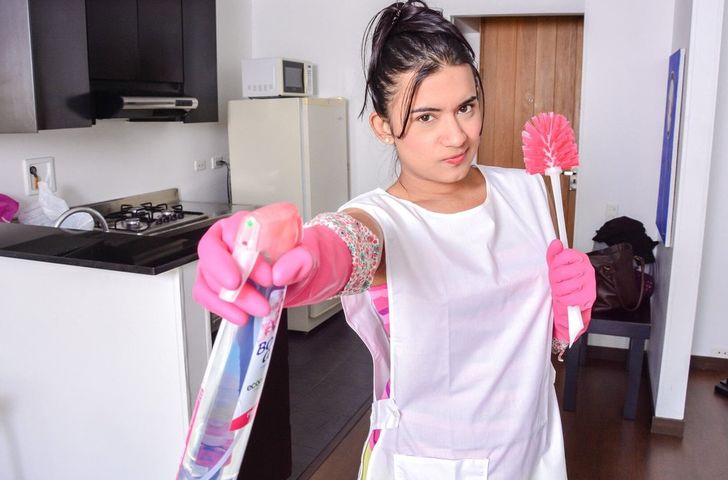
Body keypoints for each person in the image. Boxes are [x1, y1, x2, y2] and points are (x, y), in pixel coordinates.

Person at [193, 1, 596, 478]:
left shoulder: (526, 192)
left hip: (533, 446)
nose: (456, 136)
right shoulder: (381, 220)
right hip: (433, 460)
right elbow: (344, 247)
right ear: (383, 127)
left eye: (466, 107)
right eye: (426, 117)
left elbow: (537, 341)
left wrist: (565, 320)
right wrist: (293, 257)